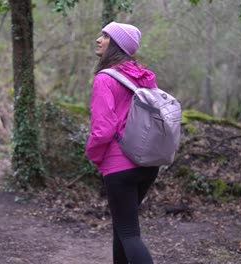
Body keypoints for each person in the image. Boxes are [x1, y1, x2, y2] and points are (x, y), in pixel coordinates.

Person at [85, 21, 159, 264]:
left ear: (116, 45)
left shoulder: (105, 79)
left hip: (119, 166)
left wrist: (93, 155)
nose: (98, 39)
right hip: (148, 163)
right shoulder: (145, 77)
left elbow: (103, 129)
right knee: (122, 227)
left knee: (128, 233)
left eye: (105, 36)